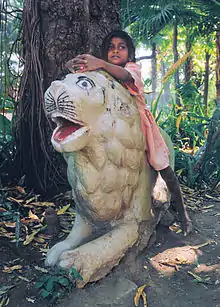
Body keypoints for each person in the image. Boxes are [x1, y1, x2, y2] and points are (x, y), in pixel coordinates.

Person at [65, 30, 192, 235]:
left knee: (162, 165)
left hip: (140, 125)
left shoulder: (132, 69)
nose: (115, 51)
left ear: (130, 54)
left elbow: (125, 76)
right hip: (116, 128)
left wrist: (101, 63)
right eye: (111, 48)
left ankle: (182, 213)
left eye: (121, 47)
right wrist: (73, 65)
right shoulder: (102, 75)